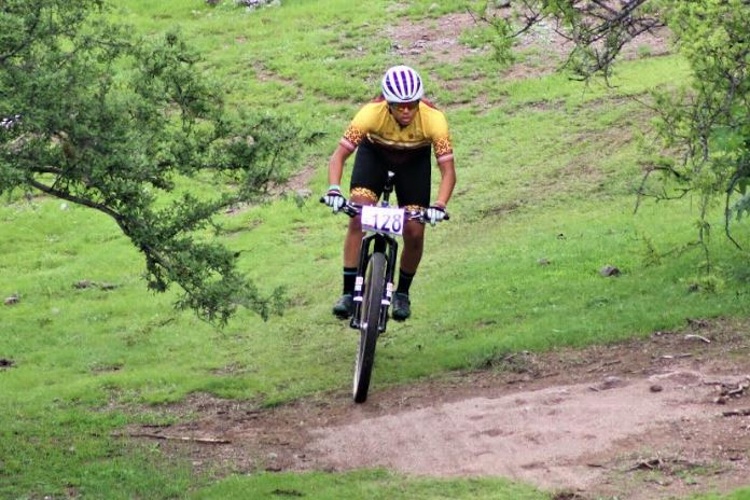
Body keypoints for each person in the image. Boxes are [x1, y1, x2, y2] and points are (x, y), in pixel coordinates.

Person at [322, 65, 456, 321]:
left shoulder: (434, 120)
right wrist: (334, 190)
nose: (406, 111)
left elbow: (448, 171)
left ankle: (402, 293)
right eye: (398, 105)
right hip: (375, 155)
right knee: (358, 213)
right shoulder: (370, 114)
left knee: (415, 230)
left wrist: (439, 205)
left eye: (411, 104)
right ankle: (349, 293)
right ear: (387, 103)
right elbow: (339, 156)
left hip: (414, 162)